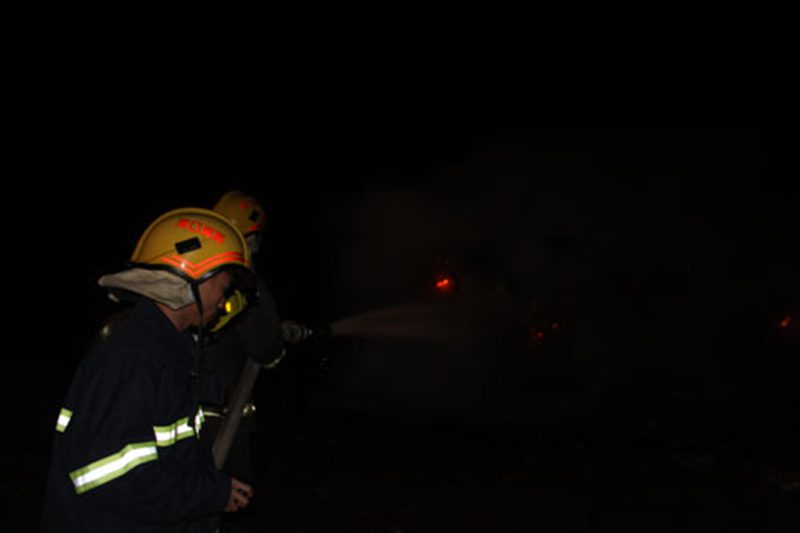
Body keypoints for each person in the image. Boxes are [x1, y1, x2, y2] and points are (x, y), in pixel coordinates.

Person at [40, 207, 256, 532]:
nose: (224, 303)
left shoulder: (168, 352)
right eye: (224, 289)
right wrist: (210, 494)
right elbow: (109, 478)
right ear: (193, 280)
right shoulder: (135, 359)